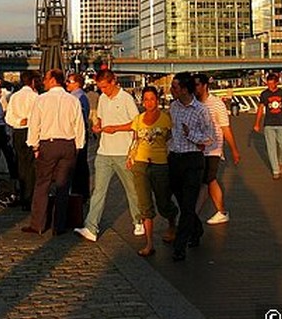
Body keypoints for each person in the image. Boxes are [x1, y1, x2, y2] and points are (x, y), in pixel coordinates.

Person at [75, 69, 143, 242]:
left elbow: (136, 123)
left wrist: (117, 128)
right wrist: (98, 126)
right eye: (100, 87)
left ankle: (138, 220)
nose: (103, 90)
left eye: (105, 87)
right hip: (104, 151)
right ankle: (91, 227)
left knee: (132, 190)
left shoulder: (126, 98)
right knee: (98, 191)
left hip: (123, 151)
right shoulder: (103, 98)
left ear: (113, 82)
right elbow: (101, 119)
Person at [23, 69, 86, 236]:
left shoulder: (41, 100)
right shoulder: (73, 100)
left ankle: (38, 224)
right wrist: (78, 146)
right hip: (68, 145)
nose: (43, 81)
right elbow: (79, 125)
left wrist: (34, 145)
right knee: (63, 186)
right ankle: (59, 225)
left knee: (42, 184)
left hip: (48, 144)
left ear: (52, 80)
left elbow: (34, 124)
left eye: (45, 78)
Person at [126, 87, 178, 257]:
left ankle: (172, 222)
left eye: (152, 99)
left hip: (160, 164)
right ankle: (149, 243)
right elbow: (135, 140)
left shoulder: (166, 119)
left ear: (157, 100)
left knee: (163, 202)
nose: (149, 102)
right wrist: (130, 156)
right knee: (145, 204)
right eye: (146, 99)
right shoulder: (138, 119)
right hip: (140, 164)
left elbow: (172, 140)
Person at [167, 73, 213, 262]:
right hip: (175, 159)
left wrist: (191, 134)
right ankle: (196, 228)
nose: (172, 90)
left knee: (188, 204)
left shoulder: (201, 110)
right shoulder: (173, 107)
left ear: (185, 89)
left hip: (193, 160)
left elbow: (209, 138)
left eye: (175, 87)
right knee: (181, 200)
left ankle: (180, 245)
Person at [194, 74, 238, 225]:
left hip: (213, 149)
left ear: (205, 85)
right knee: (209, 181)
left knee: (207, 180)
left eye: (198, 85)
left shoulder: (217, 104)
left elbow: (225, 128)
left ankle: (193, 215)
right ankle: (221, 211)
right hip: (197, 149)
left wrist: (234, 150)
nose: (195, 88)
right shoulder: (193, 103)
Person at [5, 70, 40, 210]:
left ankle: (22, 193)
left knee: (21, 163)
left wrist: (19, 120)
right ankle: (29, 197)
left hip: (17, 132)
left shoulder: (14, 96)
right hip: (31, 131)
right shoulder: (35, 96)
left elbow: (8, 117)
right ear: (32, 81)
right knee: (32, 165)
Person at [253, 72, 282, 179]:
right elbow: (261, 109)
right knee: (271, 148)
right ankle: (275, 170)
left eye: (272, 84)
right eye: (268, 84)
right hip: (268, 124)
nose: (270, 86)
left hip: (281, 123)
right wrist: (257, 123)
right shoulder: (264, 94)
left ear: (276, 83)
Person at [65, 73, 91, 197]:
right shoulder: (80, 96)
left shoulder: (78, 97)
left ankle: (79, 191)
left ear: (77, 83)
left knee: (79, 162)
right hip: (80, 131)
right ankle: (80, 190)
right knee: (80, 162)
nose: (67, 84)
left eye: (69, 81)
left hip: (78, 132)